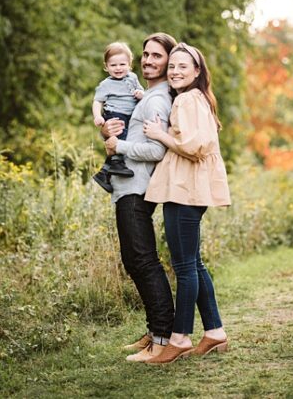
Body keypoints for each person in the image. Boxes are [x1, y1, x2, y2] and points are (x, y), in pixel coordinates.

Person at [140, 42, 231, 364]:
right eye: (172, 66)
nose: (176, 71)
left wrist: (159, 134)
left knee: (184, 267)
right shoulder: (193, 99)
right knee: (194, 263)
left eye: (183, 66)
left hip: (185, 190)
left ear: (196, 71)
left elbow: (194, 146)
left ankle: (179, 338)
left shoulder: (189, 100)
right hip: (188, 189)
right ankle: (215, 332)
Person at [99, 33, 178, 362]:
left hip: (137, 187)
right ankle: (155, 330)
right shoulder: (141, 96)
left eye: (156, 56)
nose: (147, 60)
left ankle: (162, 338)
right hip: (125, 186)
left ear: (168, 62)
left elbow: (157, 149)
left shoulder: (157, 99)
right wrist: (109, 134)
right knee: (135, 260)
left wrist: (121, 147)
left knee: (142, 260)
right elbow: (122, 131)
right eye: (145, 55)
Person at [92, 42, 145, 190]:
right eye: (113, 65)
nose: (118, 68)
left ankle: (104, 174)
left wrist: (141, 94)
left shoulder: (133, 78)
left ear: (129, 64)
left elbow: (142, 93)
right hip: (115, 113)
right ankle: (117, 163)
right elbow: (97, 101)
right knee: (121, 138)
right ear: (106, 66)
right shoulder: (105, 84)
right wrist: (97, 116)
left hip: (131, 115)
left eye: (122, 64)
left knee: (128, 137)